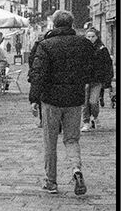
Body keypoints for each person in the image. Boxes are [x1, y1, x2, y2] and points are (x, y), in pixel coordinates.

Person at [28, 10, 96, 196]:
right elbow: (92, 69)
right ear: (71, 24)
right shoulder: (84, 44)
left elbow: (38, 74)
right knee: (72, 139)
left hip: (51, 100)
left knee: (50, 141)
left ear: (54, 24)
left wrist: (34, 98)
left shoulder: (46, 45)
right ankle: (76, 170)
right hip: (74, 99)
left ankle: (51, 182)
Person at [83, 28, 114, 130]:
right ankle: (86, 122)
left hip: (97, 80)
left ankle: (94, 116)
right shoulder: (82, 48)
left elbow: (107, 65)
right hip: (85, 79)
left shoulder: (102, 49)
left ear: (97, 37)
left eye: (93, 36)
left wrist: (107, 80)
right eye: (89, 36)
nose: (91, 38)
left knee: (93, 101)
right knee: (85, 103)